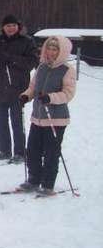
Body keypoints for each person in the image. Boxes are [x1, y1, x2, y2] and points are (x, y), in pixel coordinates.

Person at [17, 35, 76, 196]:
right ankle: (33, 180)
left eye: (55, 49)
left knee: (51, 153)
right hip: (38, 117)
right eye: (49, 48)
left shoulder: (67, 69)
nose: (51, 52)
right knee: (33, 150)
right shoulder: (41, 67)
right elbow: (33, 87)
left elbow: (68, 94)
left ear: (61, 51)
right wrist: (26, 96)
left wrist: (51, 97)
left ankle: (48, 184)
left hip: (56, 119)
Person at [0, 14, 39, 162]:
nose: (11, 28)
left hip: (18, 88)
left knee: (17, 121)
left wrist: (11, 59)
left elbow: (32, 62)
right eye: (7, 26)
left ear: (18, 27)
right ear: (3, 28)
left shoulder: (27, 42)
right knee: (1, 121)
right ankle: (4, 150)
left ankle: (20, 152)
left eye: (13, 25)